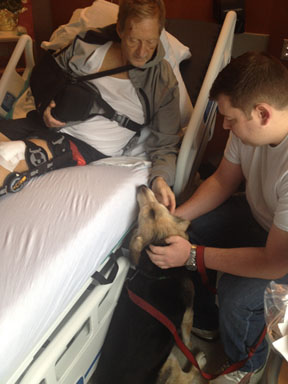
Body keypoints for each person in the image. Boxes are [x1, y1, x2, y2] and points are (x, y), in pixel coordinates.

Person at [147, 51, 288, 383]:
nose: (224, 125)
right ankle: (209, 323)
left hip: (282, 254)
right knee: (189, 232)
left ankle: (246, 364)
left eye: (230, 119)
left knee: (238, 298)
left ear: (263, 113)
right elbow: (223, 181)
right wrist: (176, 219)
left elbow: (274, 263)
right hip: (262, 218)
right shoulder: (250, 131)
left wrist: (195, 257)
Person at [0, 0, 180, 211]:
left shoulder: (162, 81)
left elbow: (166, 143)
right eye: (134, 40)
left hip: (83, 145)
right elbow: (49, 77)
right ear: (120, 30)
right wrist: (45, 107)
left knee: (8, 159)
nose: (142, 51)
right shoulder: (91, 45)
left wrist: (160, 178)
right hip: (42, 125)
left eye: (151, 42)